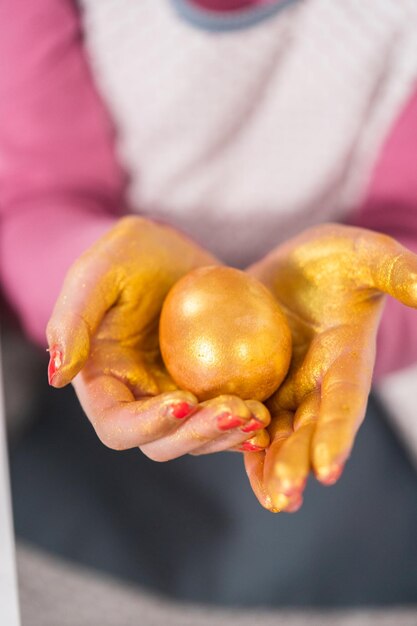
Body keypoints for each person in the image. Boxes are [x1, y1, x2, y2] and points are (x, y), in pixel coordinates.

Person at [2, 0, 417, 606]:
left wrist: (375, 306)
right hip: (120, 360)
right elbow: (37, 202)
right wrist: (90, 288)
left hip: (345, 371)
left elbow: (404, 224)